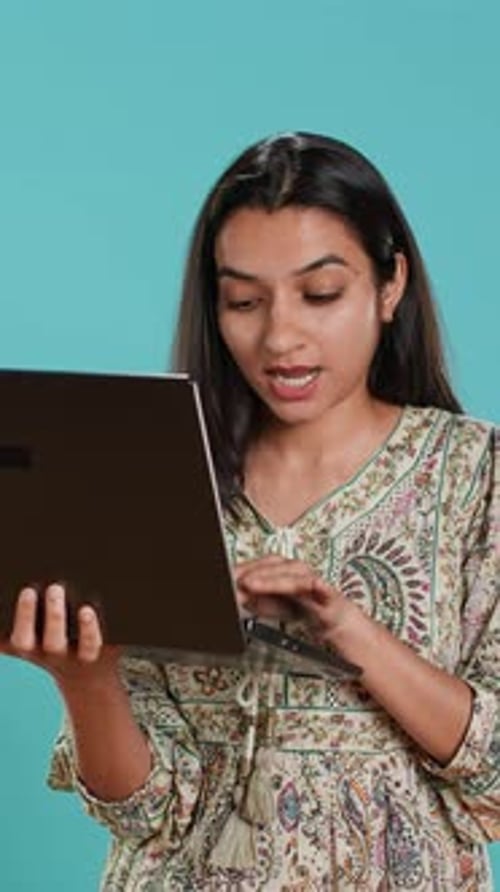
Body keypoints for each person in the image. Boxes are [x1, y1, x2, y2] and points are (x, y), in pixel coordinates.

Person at [1, 132, 499, 890]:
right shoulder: (154, 472)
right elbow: (146, 814)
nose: (279, 337)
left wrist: (346, 628)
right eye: (243, 300)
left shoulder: (475, 474)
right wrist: (87, 682)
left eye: (321, 294)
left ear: (390, 283)